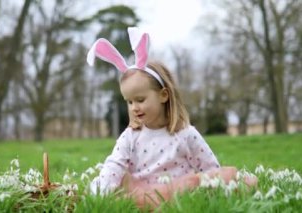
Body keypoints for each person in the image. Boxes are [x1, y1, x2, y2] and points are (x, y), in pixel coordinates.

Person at [86, 27, 257, 208]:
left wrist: (215, 184)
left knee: (210, 180)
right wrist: (98, 194)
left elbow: (210, 169)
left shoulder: (185, 134)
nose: (134, 107)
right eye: (129, 102)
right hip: (140, 196)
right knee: (122, 182)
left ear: (163, 95)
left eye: (140, 100)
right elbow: (114, 166)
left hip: (178, 196)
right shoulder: (130, 136)